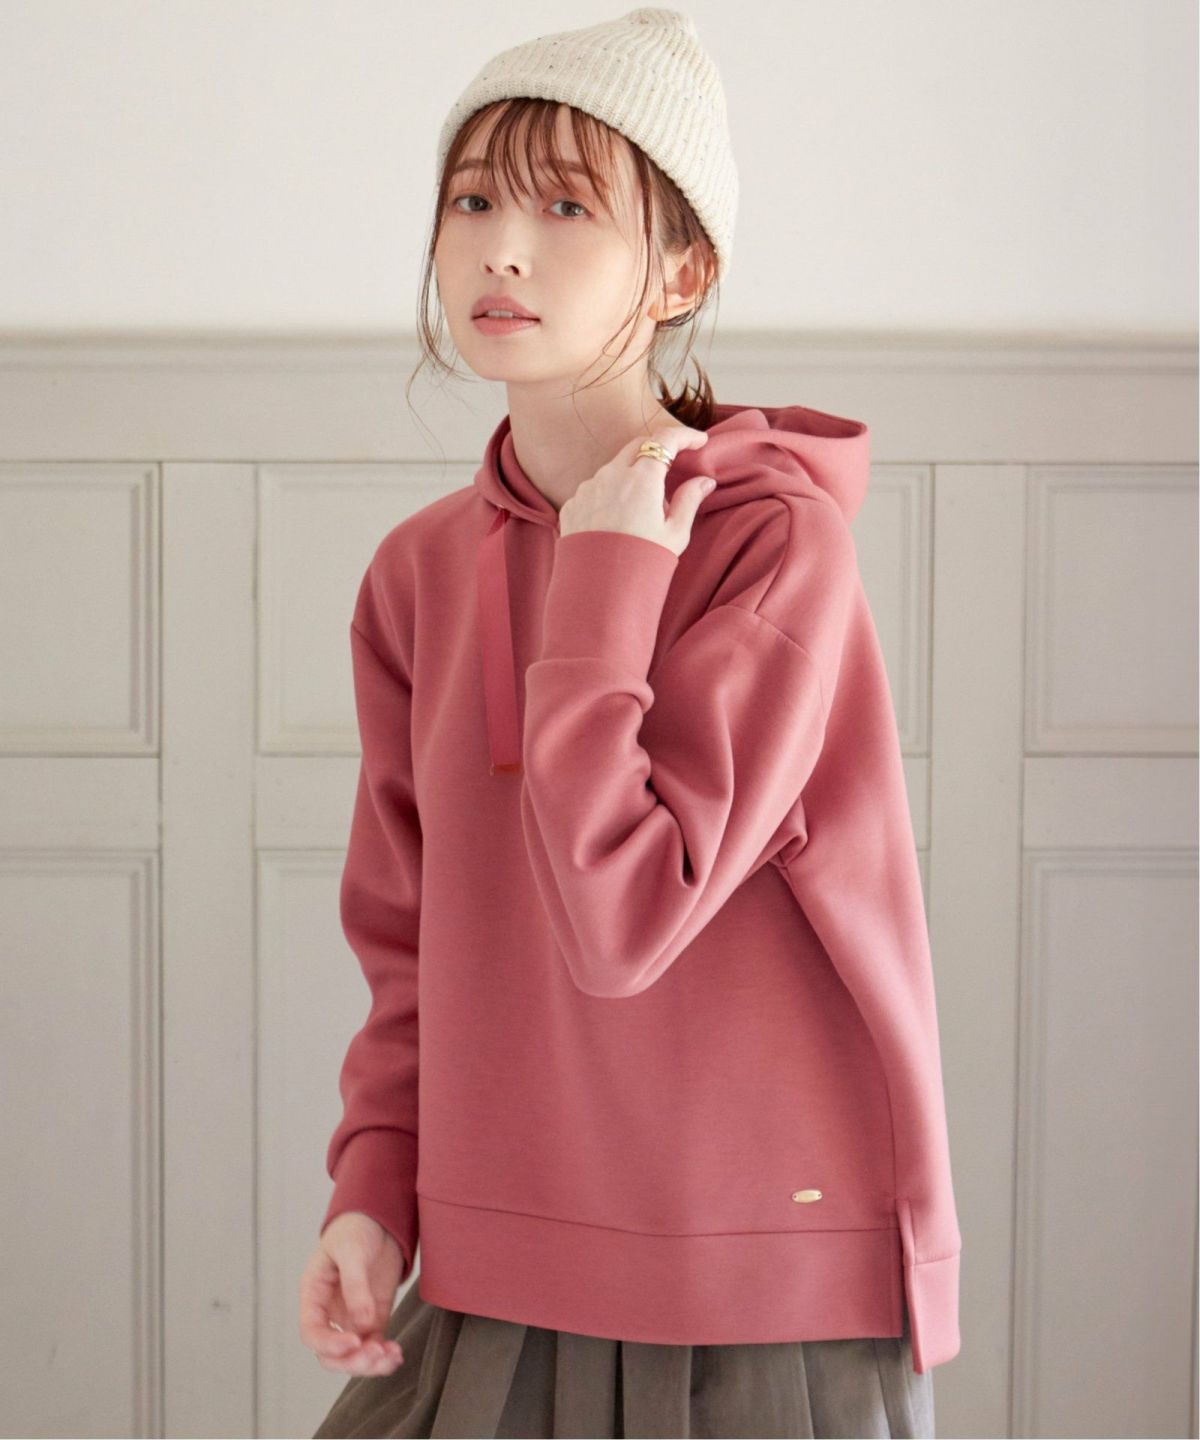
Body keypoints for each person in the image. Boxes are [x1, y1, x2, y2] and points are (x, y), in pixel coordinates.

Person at [299, 9, 961, 1437]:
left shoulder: (772, 543)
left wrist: (603, 583)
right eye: (470, 201)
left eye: (565, 208)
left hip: (757, 1282)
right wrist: (373, 1193)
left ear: (683, 271)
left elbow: (623, 923)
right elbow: (410, 938)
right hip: (492, 1257)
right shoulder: (420, 573)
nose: (501, 249)